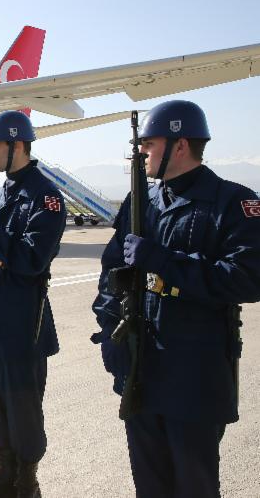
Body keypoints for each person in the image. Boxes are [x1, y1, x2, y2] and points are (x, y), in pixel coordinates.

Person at [91, 100, 260, 498]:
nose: (142, 153)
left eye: (149, 144)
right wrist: (108, 333)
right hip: (141, 363)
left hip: (194, 372)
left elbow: (247, 279)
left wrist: (165, 261)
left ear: (180, 145)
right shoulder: (141, 202)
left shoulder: (232, 202)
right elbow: (111, 274)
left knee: (193, 484)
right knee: (149, 483)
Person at [0, 111, 66, 498]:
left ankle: (27, 481)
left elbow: (31, 259)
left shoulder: (46, 198)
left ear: (17, 145)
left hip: (22, 317)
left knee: (23, 404)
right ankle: (6, 471)